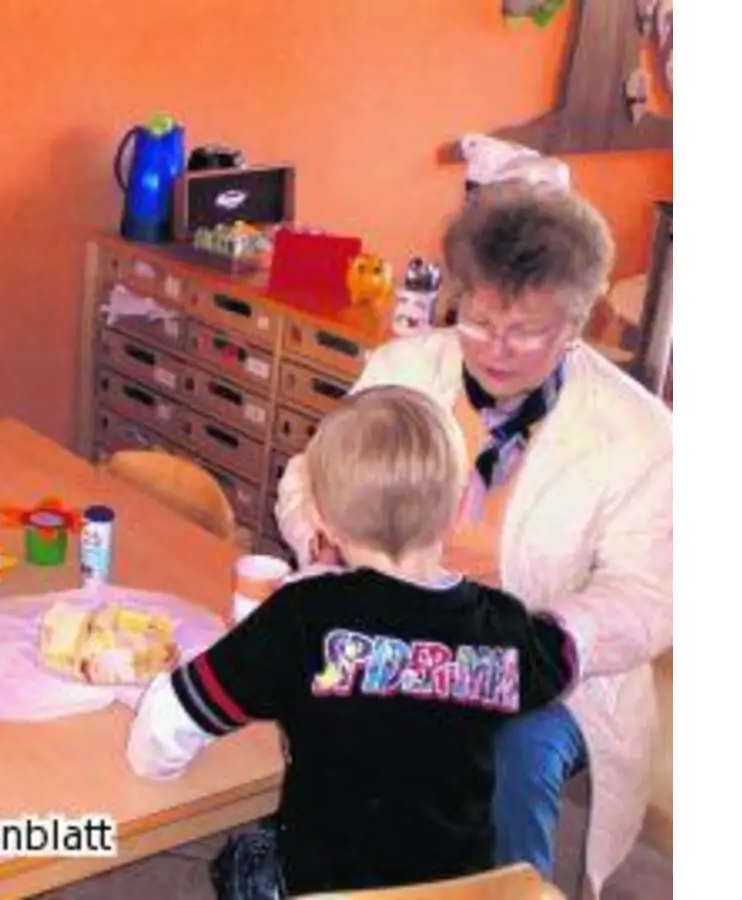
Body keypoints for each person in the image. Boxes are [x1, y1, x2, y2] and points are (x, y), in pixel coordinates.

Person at [275, 181, 672, 896]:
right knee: (307, 695)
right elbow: (311, 473)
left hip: (551, 669)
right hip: (391, 622)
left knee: (511, 755)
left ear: (577, 324)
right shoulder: (406, 369)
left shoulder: (639, 434)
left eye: (524, 331)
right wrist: (323, 536)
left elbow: (648, 593)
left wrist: (551, 641)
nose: (493, 348)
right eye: (478, 320)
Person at [127, 385, 586, 896]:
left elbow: (177, 714)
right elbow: (565, 657)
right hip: (460, 892)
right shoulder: (501, 626)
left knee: (243, 860)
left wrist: (155, 764)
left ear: (322, 520)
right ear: (458, 510)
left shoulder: (302, 616)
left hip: (325, 888)